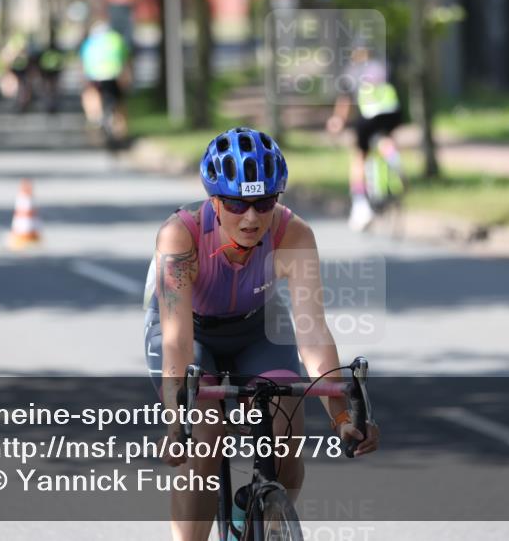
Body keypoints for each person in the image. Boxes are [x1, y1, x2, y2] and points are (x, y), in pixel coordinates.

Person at [143, 127, 380, 541]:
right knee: (206, 438)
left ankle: (259, 525)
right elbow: (178, 342)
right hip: (191, 331)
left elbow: (312, 333)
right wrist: (175, 422)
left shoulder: (294, 235)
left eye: (264, 202)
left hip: (256, 327)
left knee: (287, 431)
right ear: (215, 200)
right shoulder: (180, 236)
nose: (251, 217)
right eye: (237, 203)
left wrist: (343, 416)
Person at [326, 45, 404, 231]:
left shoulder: (353, 71)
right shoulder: (383, 66)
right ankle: (393, 157)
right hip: (391, 112)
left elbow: (345, 102)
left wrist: (338, 120)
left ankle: (361, 206)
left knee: (359, 156)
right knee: (385, 138)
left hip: (369, 116)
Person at [79, 18, 130, 143]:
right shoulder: (117, 40)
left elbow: (83, 63)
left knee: (89, 94)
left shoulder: (90, 42)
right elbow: (126, 60)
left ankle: (94, 118)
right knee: (119, 103)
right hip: (114, 76)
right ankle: (120, 130)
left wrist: (83, 78)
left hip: (94, 77)